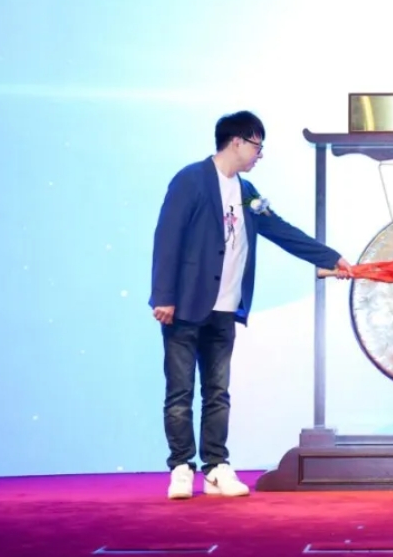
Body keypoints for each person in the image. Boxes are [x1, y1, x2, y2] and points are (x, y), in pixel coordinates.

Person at [148, 110, 352, 500]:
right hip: (185, 305)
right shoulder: (190, 180)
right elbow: (167, 237)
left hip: (226, 307)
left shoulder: (247, 191)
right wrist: (163, 296)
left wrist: (330, 258)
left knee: (217, 392)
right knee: (179, 393)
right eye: (258, 146)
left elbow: (281, 230)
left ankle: (216, 467)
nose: (260, 154)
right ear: (237, 142)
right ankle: (180, 467)